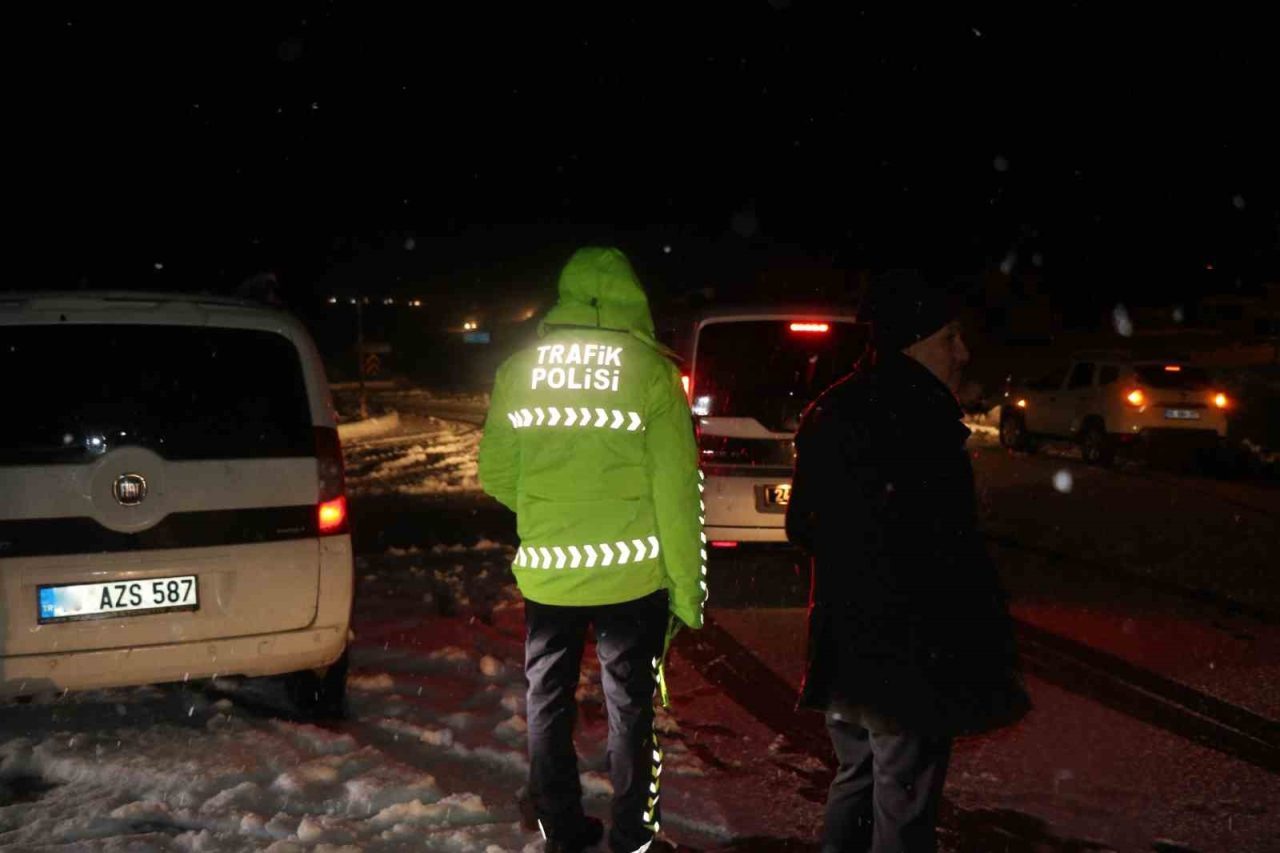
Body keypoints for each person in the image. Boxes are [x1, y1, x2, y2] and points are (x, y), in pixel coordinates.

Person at [786, 269, 1029, 853]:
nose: (964, 353)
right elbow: (946, 550)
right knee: (904, 804)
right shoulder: (920, 419)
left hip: (848, 649)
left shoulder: (835, 406)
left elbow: (803, 526)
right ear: (917, 339)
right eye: (952, 338)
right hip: (907, 657)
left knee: (859, 781)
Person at [478, 247, 706, 853]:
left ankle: (562, 827)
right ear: (632, 296)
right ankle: (634, 835)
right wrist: (686, 590)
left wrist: (551, 515)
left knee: (547, 698)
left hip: (549, 578)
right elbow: (677, 494)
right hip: (633, 579)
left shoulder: (519, 369)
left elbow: (495, 473)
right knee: (631, 709)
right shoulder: (652, 372)